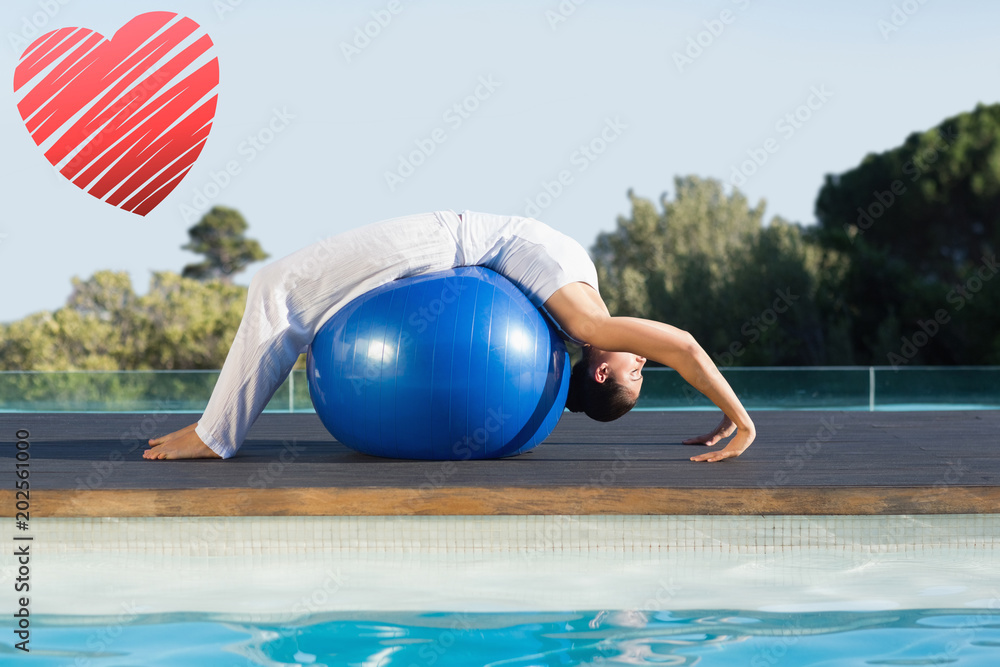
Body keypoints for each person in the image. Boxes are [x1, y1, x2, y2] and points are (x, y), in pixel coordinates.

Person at [144, 209, 755, 462]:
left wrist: (739, 417)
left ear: (600, 369)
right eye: (644, 371)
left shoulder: (585, 324)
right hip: (456, 243)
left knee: (276, 287)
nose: (644, 360)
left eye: (638, 371)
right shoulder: (575, 313)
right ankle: (219, 426)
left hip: (448, 242)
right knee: (285, 288)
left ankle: (213, 435)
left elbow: (685, 346)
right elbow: (678, 350)